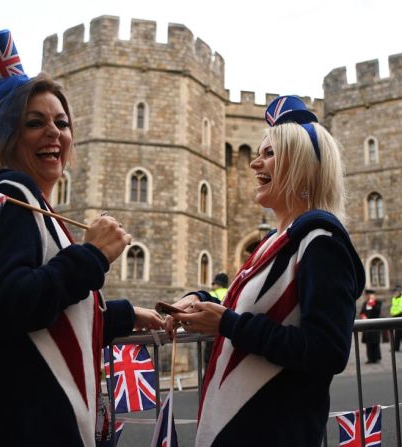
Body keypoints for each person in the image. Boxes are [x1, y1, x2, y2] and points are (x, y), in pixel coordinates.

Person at [0, 30, 165, 447]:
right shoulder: (11, 196)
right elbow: (8, 306)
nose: (54, 132)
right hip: (19, 428)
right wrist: (92, 256)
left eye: (62, 122)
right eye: (34, 123)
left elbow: (53, 316)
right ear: (7, 138)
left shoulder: (38, 208)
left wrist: (124, 315)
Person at [166, 95, 364, 446]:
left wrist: (227, 324)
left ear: (302, 165)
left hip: (275, 429)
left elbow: (327, 350)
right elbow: (248, 305)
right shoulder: (276, 242)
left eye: (269, 154)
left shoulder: (321, 242)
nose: (255, 163)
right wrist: (198, 301)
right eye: (259, 152)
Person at [359, 289, 382, 364]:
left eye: (368, 295)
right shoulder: (365, 303)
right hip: (367, 325)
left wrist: (372, 302)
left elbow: (377, 311)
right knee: (368, 343)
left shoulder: (377, 302)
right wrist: (363, 316)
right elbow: (362, 312)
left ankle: (376, 357)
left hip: (375, 325)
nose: (367, 296)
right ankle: (370, 358)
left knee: (375, 342)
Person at [390, 285, 402, 352]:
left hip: (401, 316)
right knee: (397, 333)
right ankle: (396, 347)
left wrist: (394, 313)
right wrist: (392, 312)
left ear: (399, 292)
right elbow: (393, 307)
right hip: (395, 317)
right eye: (394, 292)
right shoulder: (394, 298)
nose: (394, 293)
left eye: (395, 292)